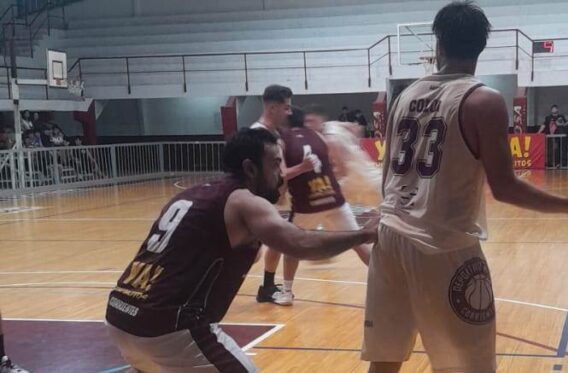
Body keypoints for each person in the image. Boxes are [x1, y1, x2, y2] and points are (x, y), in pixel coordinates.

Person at [363, 2, 568, 372]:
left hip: (389, 240)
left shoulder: (402, 97)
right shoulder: (483, 100)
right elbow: (505, 188)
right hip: (443, 245)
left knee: (385, 361)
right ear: (481, 47)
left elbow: (388, 176)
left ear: (438, 45)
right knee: (471, 366)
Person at [105, 128, 378, 372]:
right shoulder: (245, 201)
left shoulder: (191, 194)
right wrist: (365, 234)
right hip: (167, 325)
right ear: (250, 168)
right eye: (275, 165)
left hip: (120, 315)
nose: (281, 175)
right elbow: (301, 244)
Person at [265, 106, 372, 306]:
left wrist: (296, 174)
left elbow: (282, 175)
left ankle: (287, 293)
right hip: (333, 198)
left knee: (292, 248)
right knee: (359, 243)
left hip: (307, 203)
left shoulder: (282, 141)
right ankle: (387, 282)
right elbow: (334, 164)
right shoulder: (319, 136)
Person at [252, 85, 322, 304]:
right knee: (250, 253)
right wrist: (303, 167)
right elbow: (278, 174)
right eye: (286, 107)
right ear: (273, 108)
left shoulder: (275, 133)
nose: (290, 112)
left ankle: (267, 286)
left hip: (268, 201)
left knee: (277, 242)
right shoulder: (259, 134)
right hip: (253, 201)